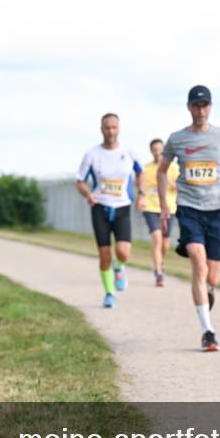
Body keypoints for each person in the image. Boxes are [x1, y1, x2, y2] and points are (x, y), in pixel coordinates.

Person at [158, 85, 220, 351]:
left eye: (205, 105)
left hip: (218, 210)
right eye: (196, 105)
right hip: (188, 207)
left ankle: (209, 291)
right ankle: (208, 331)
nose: (201, 110)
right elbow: (162, 171)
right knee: (198, 262)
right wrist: (164, 204)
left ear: (210, 107)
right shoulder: (177, 139)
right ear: (189, 107)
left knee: (213, 277)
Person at [76, 113, 144, 308]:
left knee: (123, 252)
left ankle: (120, 266)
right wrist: (88, 194)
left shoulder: (129, 152)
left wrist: (142, 194)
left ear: (119, 128)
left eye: (114, 127)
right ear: (101, 129)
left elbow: (140, 173)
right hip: (100, 207)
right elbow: (79, 181)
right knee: (104, 254)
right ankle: (109, 293)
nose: (111, 131)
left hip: (122, 206)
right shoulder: (92, 154)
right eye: (107, 128)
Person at [140, 139, 179, 286]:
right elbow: (141, 186)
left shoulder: (173, 168)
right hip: (150, 207)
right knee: (156, 238)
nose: (157, 152)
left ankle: (159, 263)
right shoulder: (146, 168)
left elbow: (181, 186)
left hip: (168, 208)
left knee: (165, 244)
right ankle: (159, 273)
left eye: (160, 149)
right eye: (154, 150)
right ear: (151, 151)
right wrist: (141, 197)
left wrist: (170, 183)